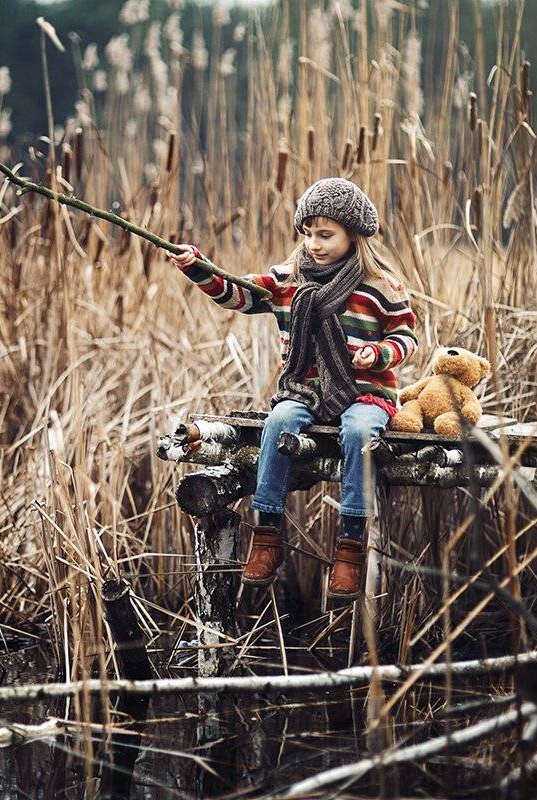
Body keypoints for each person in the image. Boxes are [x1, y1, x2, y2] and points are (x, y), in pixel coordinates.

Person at [168, 177, 418, 600]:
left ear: (354, 236)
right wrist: (198, 267)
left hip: (365, 394)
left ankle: (351, 545)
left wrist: (378, 355)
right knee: (279, 420)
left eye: (326, 235)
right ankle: (267, 534)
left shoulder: (381, 286)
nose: (314, 244)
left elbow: (407, 337)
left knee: (358, 433)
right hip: (305, 391)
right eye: (307, 233)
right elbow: (235, 295)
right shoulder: (287, 280)